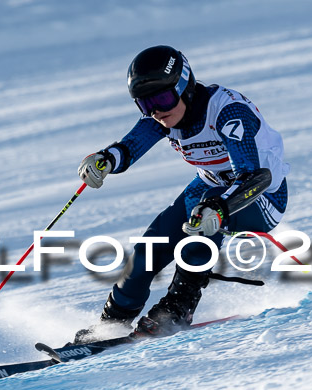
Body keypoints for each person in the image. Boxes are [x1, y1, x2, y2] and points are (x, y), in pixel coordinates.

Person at [74, 45, 289, 343]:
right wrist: (105, 160)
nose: (156, 111)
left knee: (203, 212)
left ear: (184, 86)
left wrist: (222, 208)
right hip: (211, 187)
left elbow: (255, 176)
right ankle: (112, 323)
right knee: (150, 247)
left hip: (261, 197)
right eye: (145, 104)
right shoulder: (163, 116)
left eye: (162, 98)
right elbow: (132, 145)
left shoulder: (227, 112)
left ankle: (177, 309)